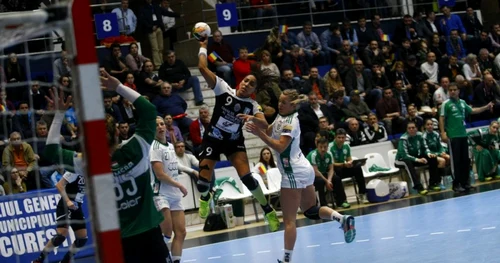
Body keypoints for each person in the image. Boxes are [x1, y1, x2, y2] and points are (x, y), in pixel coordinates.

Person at [43, 70, 171, 262]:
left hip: (116, 240)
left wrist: (59, 115)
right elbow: (149, 110)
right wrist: (119, 87)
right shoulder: (137, 148)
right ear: (118, 135)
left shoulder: (87, 162)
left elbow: (51, 151)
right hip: (149, 233)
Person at [240, 89, 355, 263]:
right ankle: (342, 218)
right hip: (303, 168)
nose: (279, 104)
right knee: (310, 211)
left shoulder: (291, 122)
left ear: (292, 105)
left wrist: (259, 134)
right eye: (279, 101)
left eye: (283, 102)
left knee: (289, 221)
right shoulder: (281, 115)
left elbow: (280, 147)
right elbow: (271, 129)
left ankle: (286, 260)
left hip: (292, 171)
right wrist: (254, 119)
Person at [197, 38, 280, 231]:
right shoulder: (223, 88)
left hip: (234, 143)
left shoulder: (252, 105)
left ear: (254, 90)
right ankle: (204, 195)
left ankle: (268, 210)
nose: (246, 84)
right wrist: (203, 47)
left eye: (251, 84)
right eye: (246, 81)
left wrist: (252, 119)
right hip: (213, 139)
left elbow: (265, 123)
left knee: (248, 178)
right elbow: (202, 68)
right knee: (202, 182)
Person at [440, 83, 493, 192]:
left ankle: (465, 183)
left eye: (455, 90)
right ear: (448, 91)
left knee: (465, 160)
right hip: (453, 136)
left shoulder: (463, 103)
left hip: (463, 135)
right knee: (456, 161)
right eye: (450, 90)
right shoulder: (446, 104)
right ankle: (456, 184)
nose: (453, 92)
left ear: (458, 91)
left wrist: (486, 107)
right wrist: (443, 133)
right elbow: (441, 118)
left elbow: (473, 111)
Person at [150, 116, 187, 263]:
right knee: (166, 232)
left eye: (162, 124)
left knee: (181, 232)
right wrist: (179, 185)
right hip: (161, 193)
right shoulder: (154, 147)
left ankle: (175, 261)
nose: (160, 127)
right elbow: (160, 174)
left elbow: (174, 165)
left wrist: (192, 171)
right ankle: (157, 257)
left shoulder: (171, 146)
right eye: (157, 125)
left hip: (174, 194)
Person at [32, 171, 88, 263]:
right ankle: (39, 260)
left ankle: (65, 261)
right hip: (65, 205)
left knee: (82, 239)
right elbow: (59, 185)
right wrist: (68, 201)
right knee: (61, 236)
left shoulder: (89, 171)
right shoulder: (73, 171)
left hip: (77, 207)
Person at [395, 121, 440, 195]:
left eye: (413, 128)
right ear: (407, 130)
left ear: (416, 128)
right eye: (409, 128)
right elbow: (404, 155)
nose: (411, 129)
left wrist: (428, 154)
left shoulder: (420, 135)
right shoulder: (403, 138)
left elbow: (425, 147)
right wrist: (418, 160)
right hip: (401, 160)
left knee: (432, 158)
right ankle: (418, 187)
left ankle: (432, 183)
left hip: (415, 157)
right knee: (408, 162)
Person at [306, 138, 334, 207]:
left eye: (325, 147)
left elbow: (331, 169)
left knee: (336, 179)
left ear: (328, 147)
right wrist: (326, 181)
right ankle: (323, 204)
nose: (323, 149)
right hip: (310, 176)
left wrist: (329, 180)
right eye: (321, 147)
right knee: (321, 181)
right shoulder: (313, 155)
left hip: (322, 174)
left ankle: (341, 201)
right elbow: (315, 172)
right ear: (317, 147)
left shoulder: (329, 154)